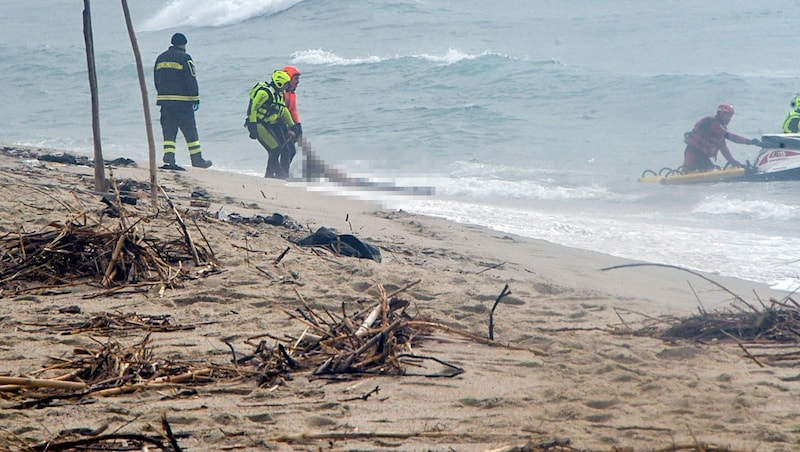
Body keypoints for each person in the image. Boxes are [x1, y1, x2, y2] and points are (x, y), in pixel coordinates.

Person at [154, 33, 212, 169]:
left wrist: (162, 94)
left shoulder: (160, 58)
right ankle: (197, 160)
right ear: (184, 44)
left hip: (165, 102)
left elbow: (156, 79)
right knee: (190, 131)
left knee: (169, 131)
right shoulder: (185, 58)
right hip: (183, 103)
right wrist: (195, 98)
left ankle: (169, 158)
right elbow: (191, 78)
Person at [245, 70, 302, 178]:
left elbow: (283, 111)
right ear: (280, 83)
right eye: (285, 84)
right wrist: (252, 125)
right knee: (275, 149)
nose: (286, 87)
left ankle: (271, 175)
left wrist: (293, 126)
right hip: (257, 123)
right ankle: (273, 175)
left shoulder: (278, 95)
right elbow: (254, 108)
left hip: (266, 124)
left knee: (278, 149)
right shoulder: (265, 93)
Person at [682, 103, 760, 173]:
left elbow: (723, 148)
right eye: (728, 116)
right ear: (721, 114)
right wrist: (749, 142)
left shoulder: (719, 130)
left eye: (730, 117)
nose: (729, 119)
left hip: (701, 155)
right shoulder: (710, 122)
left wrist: (732, 161)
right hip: (693, 153)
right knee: (696, 171)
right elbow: (731, 137)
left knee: (709, 169)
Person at [279, 65, 303, 177]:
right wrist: (288, 128)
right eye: (296, 79)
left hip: (288, 124)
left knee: (291, 151)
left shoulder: (292, 94)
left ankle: (284, 172)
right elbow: (281, 112)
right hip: (278, 124)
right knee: (287, 150)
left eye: (298, 79)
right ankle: (281, 174)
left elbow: (293, 110)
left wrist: (298, 126)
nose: (298, 82)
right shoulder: (281, 94)